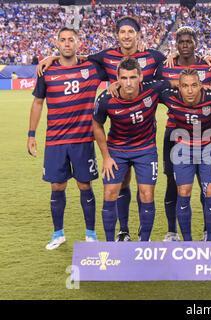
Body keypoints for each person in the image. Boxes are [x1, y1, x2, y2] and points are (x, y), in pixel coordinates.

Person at [37, 16, 167, 242]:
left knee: (146, 192)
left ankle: (143, 241)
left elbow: (173, 69)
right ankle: (122, 231)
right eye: (122, 32)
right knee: (120, 185)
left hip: (145, 140)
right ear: (116, 36)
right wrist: (53, 57)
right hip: (118, 140)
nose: (126, 36)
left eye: (131, 32)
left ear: (138, 34)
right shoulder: (106, 56)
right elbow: (76, 56)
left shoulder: (153, 56)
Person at [27, 27, 105, 249]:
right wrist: (31, 134)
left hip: (82, 139)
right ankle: (58, 234)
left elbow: (114, 62)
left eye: (71, 39)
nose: (67, 43)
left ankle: (90, 233)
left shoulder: (91, 68)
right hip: (55, 140)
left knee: (84, 184)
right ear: (57, 44)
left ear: (78, 43)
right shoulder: (47, 71)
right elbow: (37, 103)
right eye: (63, 40)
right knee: (57, 186)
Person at [92, 57, 175, 242]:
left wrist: (203, 87)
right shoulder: (106, 98)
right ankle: (110, 243)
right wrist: (106, 157)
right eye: (124, 78)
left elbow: (177, 83)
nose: (128, 83)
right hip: (117, 149)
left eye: (132, 77)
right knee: (110, 192)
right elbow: (96, 125)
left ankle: (143, 243)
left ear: (140, 77)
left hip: (145, 148)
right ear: (117, 79)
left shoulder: (152, 89)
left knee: (147, 194)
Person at [155, 26, 211, 242]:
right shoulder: (166, 67)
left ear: (196, 43)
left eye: (189, 41)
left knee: (207, 185)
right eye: (181, 42)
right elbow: (152, 86)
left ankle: (207, 232)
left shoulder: (208, 66)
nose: (185, 45)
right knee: (172, 183)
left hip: (205, 133)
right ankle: (172, 231)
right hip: (175, 133)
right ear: (176, 45)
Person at [159, 69, 211, 241]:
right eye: (185, 86)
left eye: (194, 85)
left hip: (208, 148)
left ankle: (210, 240)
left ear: (201, 86)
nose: (190, 90)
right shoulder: (168, 96)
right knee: (183, 192)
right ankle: (187, 242)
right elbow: (147, 88)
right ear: (179, 87)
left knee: (209, 192)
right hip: (182, 148)